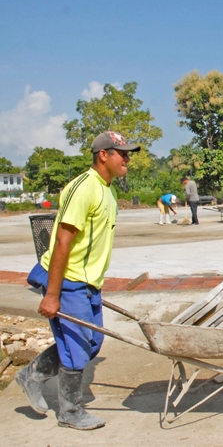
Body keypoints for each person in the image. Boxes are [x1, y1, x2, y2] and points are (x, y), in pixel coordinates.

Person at [17, 131, 140, 430]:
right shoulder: (84, 187)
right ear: (103, 155)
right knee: (76, 346)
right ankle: (70, 412)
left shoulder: (107, 190)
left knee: (93, 342)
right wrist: (53, 295)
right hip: (67, 279)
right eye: (121, 153)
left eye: (128, 153)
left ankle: (31, 374)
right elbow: (62, 242)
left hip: (86, 283)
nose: (127, 158)